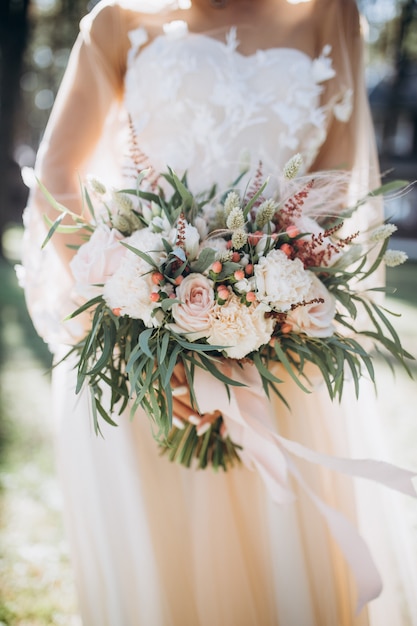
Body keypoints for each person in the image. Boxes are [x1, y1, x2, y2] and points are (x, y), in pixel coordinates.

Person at [21, 0, 417, 624]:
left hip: (282, 357)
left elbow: (335, 188)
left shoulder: (331, 13)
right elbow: (59, 178)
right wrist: (136, 325)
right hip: (139, 353)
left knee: (279, 558)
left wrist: (272, 310)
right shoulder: (118, 19)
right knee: (163, 568)